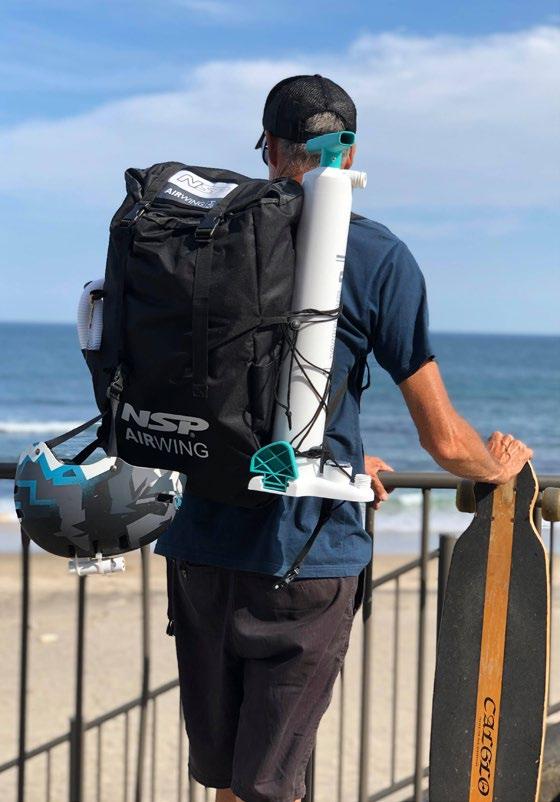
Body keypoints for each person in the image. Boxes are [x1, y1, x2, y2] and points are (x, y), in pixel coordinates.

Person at [155, 74, 532, 802]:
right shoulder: (376, 256)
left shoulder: (209, 240)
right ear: (350, 152)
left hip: (200, 550)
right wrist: (498, 466)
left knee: (230, 785)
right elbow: (444, 439)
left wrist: (346, 460)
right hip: (302, 557)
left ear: (270, 150)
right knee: (271, 788)